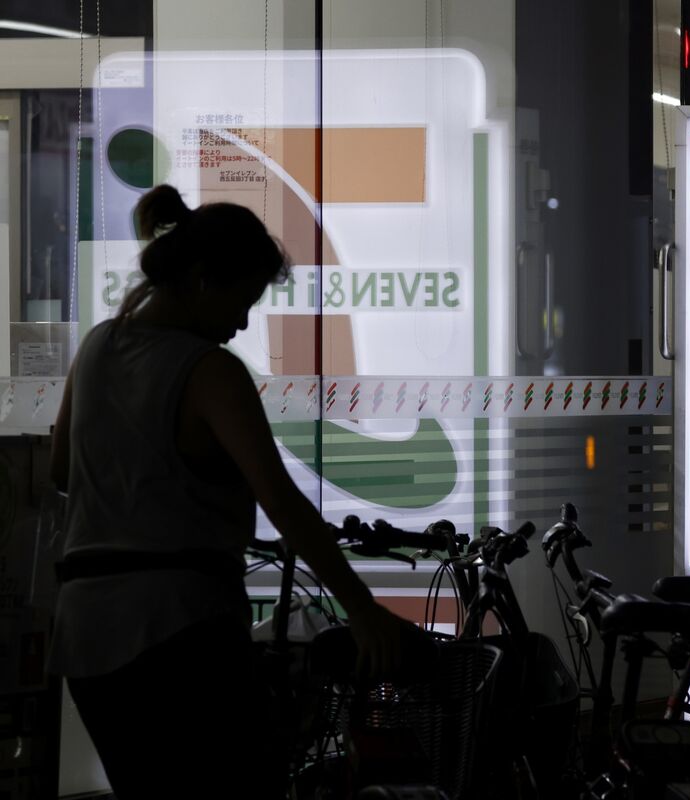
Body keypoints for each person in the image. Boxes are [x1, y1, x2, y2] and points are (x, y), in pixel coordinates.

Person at [48, 184, 434, 799]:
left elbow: (62, 471)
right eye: (243, 300)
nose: (243, 323)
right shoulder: (209, 371)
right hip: (177, 633)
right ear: (204, 281)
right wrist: (362, 612)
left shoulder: (97, 345)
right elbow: (281, 501)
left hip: (86, 638)